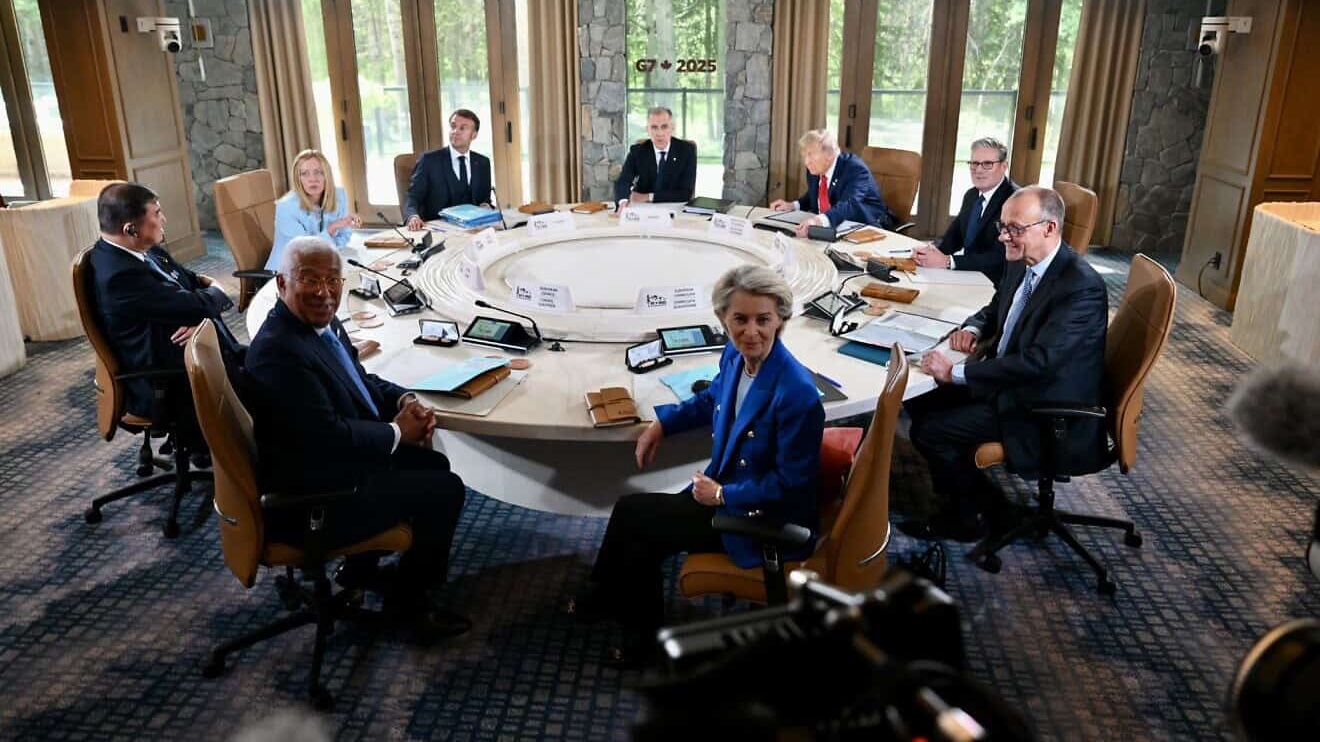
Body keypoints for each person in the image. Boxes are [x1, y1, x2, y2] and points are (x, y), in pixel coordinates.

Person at [575, 265, 825, 664]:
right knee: (630, 510)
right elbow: (713, 398)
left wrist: (723, 494)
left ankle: (646, 642)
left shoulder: (796, 392)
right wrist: (665, 421)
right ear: (723, 320)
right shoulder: (735, 356)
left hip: (760, 518)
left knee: (641, 527)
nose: (751, 332)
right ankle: (607, 596)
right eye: (739, 320)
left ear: (781, 319)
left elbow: (792, 484)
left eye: (763, 320)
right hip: (723, 489)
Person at [244, 236, 469, 640]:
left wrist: (405, 398)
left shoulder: (319, 325)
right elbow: (326, 437)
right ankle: (409, 607)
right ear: (281, 284)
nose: (324, 291)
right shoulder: (280, 350)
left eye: (333, 280)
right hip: (314, 496)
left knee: (433, 465)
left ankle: (359, 568)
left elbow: (359, 381)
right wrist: (398, 432)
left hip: (332, 465)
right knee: (445, 489)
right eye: (309, 279)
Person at [898, 186, 1109, 542]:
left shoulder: (1081, 287)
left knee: (932, 432)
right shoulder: (1022, 259)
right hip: (1010, 381)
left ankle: (964, 520)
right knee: (921, 399)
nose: (1003, 236)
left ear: (1050, 229)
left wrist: (956, 372)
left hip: (1041, 403)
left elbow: (1039, 362)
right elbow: (999, 307)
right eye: (1002, 226)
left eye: (1014, 228)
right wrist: (973, 327)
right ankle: (987, 502)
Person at [89, 182, 243, 453]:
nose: (164, 219)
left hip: (185, 353)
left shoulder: (145, 250)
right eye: (157, 213)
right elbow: (201, 301)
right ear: (130, 229)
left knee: (269, 361)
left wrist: (200, 314)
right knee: (268, 382)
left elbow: (193, 282)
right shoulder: (120, 275)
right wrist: (210, 299)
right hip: (166, 375)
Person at [913, 137, 1018, 286]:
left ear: (1003, 166)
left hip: (996, 283)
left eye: (987, 164)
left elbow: (1000, 257)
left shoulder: (1015, 201)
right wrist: (930, 251)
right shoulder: (972, 195)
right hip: (971, 275)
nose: (978, 170)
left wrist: (948, 261)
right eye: (974, 163)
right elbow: (954, 236)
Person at [770, 129, 895, 237]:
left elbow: (849, 204)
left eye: (810, 155)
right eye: (804, 156)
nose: (806, 162)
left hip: (865, 227)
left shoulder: (855, 169)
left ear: (829, 154)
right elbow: (816, 194)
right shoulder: (815, 169)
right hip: (834, 228)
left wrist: (817, 221)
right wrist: (793, 205)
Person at [265, 149, 361, 271]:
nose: (312, 179)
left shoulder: (339, 195)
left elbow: (344, 235)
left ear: (327, 175)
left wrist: (329, 248)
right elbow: (306, 250)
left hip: (321, 263)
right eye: (304, 173)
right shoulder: (286, 207)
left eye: (318, 172)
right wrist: (332, 228)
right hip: (288, 272)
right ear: (298, 178)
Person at [404, 109, 492, 229]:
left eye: (462, 128)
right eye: (453, 126)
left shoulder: (482, 162)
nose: (455, 131)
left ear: (474, 135)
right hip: (438, 228)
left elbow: (485, 199)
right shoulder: (429, 161)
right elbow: (413, 196)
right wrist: (413, 216)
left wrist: (486, 207)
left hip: (474, 229)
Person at [613, 106, 698, 207]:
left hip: (675, 207)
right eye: (654, 127)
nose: (659, 133)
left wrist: (648, 197)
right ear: (647, 130)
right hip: (643, 208)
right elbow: (624, 181)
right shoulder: (638, 151)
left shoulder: (687, 150)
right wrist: (623, 202)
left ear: (672, 128)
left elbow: (685, 193)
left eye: (664, 127)